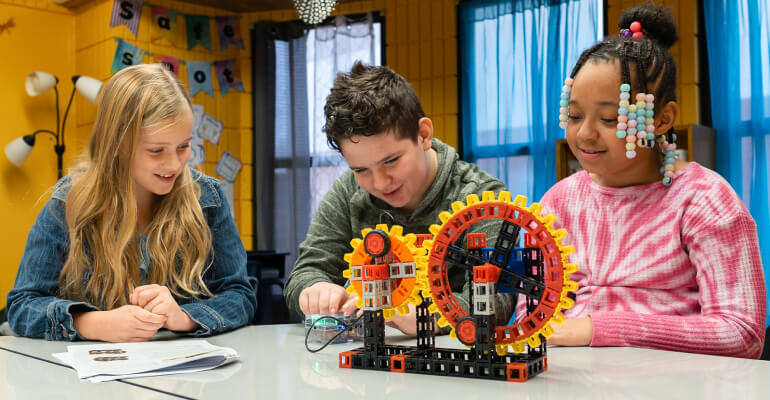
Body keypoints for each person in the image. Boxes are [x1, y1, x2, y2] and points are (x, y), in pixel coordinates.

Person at [522, 3, 766, 358]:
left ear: (663, 119)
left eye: (609, 118)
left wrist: (599, 327)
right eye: (573, 115)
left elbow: (743, 333)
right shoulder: (558, 201)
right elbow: (529, 312)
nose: (585, 134)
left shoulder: (705, 200)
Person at [7, 64, 256, 342]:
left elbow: (240, 295)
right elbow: (21, 305)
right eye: (156, 150)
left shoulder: (207, 199)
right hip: (87, 381)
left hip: (181, 379)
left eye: (183, 146)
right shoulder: (70, 203)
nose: (174, 164)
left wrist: (184, 318)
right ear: (117, 145)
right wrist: (91, 323)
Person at [284, 62, 513, 334]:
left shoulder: (482, 197)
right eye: (361, 170)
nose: (380, 182)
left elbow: (497, 301)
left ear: (424, 134)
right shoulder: (348, 192)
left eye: (391, 161)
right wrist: (316, 289)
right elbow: (305, 272)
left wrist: (422, 313)